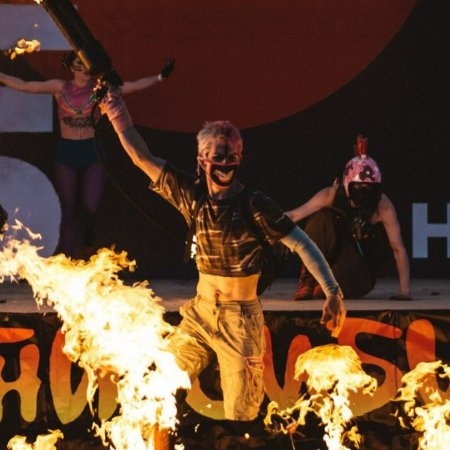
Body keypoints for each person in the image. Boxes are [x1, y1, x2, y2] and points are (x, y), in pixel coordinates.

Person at [100, 88, 346, 445]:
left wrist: (333, 292)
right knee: (157, 390)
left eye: (232, 156)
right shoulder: (191, 195)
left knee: (241, 419)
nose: (226, 163)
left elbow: (301, 244)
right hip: (199, 316)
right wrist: (117, 113)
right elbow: (142, 158)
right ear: (202, 159)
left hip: (239, 320)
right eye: (219, 156)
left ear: (240, 157)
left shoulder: (254, 205)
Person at [0, 53, 175, 258]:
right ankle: (67, 256)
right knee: (68, 209)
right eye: (79, 65)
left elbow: (131, 86)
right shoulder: (60, 88)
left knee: (90, 209)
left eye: (86, 65)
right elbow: (25, 85)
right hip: (67, 152)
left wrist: (160, 77)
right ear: (71, 67)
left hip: (92, 152)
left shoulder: (98, 90)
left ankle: (87, 253)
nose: (84, 69)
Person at [286, 135, 411, 301]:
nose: (364, 193)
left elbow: (398, 248)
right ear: (347, 185)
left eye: (369, 188)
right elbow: (295, 215)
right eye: (359, 187)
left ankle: (321, 287)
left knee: (327, 290)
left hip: (359, 267)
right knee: (322, 218)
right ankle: (308, 279)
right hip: (333, 252)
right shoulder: (331, 195)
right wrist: (264, 222)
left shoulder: (383, 206)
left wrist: (404, 291)